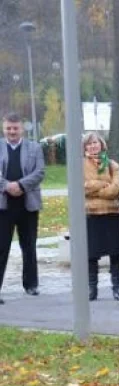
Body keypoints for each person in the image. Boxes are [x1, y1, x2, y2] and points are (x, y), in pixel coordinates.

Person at [0, 112, 45, 304]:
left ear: (22, 129)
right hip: (3, 205)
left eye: (15, 128)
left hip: (28, 203)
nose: (12, 131)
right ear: (4, 129)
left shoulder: (34, 147)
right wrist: (6, 185)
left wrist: (20, 185)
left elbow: (40, 171)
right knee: (1, 247)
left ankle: (31, 285)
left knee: (29, 246)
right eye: (8, 128)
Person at [82, 132, 119, 301]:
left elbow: (118, 187)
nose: (93, 146)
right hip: (91, 214)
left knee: (115, 253)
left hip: (112, 213)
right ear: (85, 146)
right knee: (91, 254)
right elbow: (83, 186)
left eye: (96, 143)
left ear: (102, 145)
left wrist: (99, 191)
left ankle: (117, 288)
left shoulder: (112, 164)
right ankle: (92, 289)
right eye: (89, 143)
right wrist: (103, 185)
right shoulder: (80, 164)